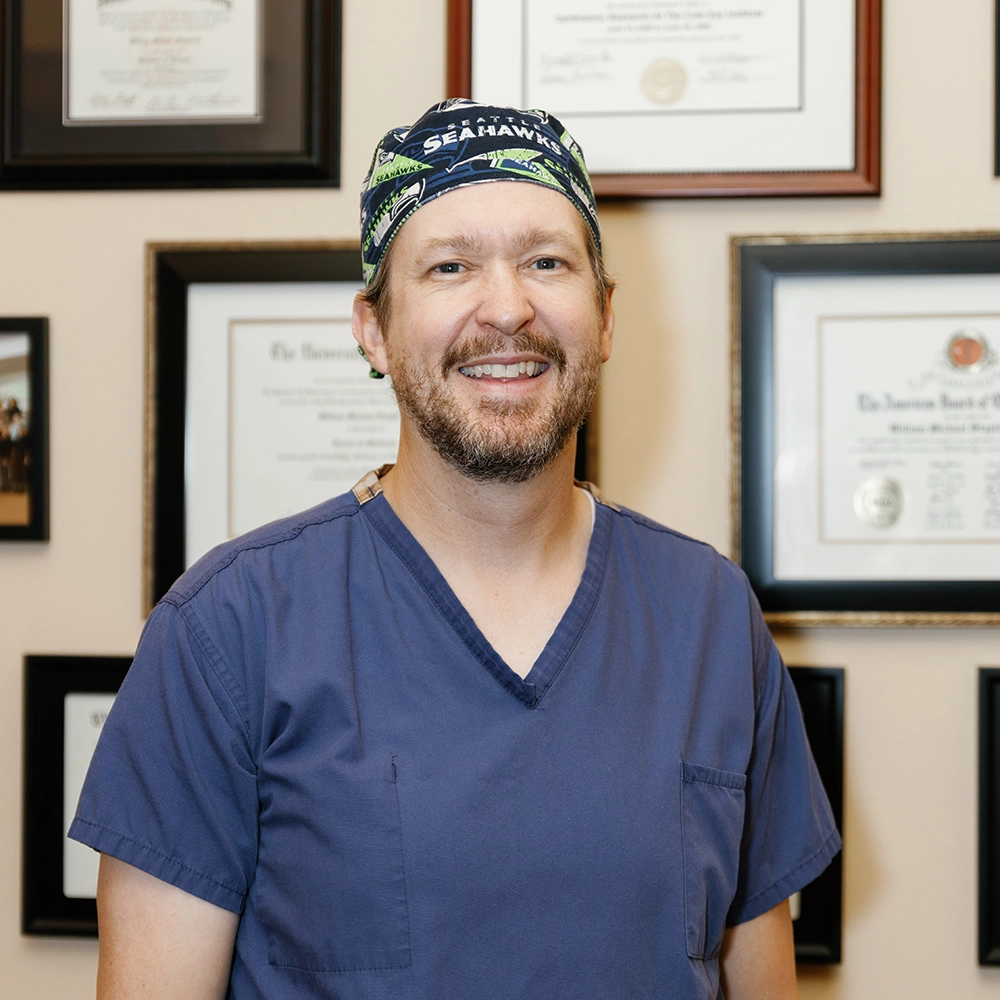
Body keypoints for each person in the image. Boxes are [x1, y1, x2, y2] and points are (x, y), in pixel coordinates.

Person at [71, 100, 840, 1000]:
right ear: (374, 330)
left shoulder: (709, 614)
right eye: (450, 266)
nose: (507, 308)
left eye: (547, 262)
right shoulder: (229, 631)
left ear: (604, 315)